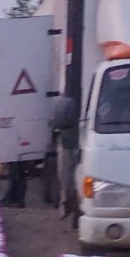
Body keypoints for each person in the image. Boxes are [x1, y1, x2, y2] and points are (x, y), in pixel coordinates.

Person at [52, 93, 80, 223]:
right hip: (74, 144)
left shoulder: (61, 104)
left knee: (66, 177)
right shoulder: (71, 104)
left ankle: (69, 206)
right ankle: (74, 210)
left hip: (66, 144)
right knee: (72, 178)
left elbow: (55, 124)